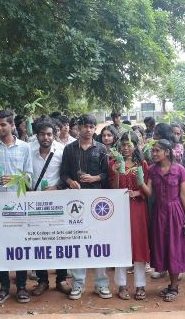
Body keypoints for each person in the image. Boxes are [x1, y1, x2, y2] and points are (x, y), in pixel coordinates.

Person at [59, 114, 111, 300]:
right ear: (78, 127)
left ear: (94, 129)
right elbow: (63, 173)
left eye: (91, 126)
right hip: (75, 202)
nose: (88, 129)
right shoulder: (69, 149)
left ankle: (101, 284)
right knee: (77, 242)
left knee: (98, 242)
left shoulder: (102, 148)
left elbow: (107, 174)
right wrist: (70, 181)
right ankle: (78, 284)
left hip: (97, 203)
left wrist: (95, 178)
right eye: (85, 126)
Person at [0, 110, 34, 304]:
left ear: (12, 126)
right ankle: (4, 286)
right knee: (1, 246)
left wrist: (16, 178)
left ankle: (21, 286)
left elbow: (29, 177)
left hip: (19, 203)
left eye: (3, 125)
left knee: (20, 244)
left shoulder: (25, 148)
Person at [143, 139, 185, 302]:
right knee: (162, 245)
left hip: (175, 212)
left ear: (167, 152)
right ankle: (171, 284)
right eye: (153, 151)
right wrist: (138, 180)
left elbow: (183, 195)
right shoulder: (151, 170)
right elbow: (149, 193)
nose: (154, 153)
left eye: (157, 150)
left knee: (175, 247)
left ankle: (173, 286)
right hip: (158, 212)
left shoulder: (179, 170)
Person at [28, 118, 72, 297]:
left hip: (58, 202)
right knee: (38, 242)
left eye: (49, 134)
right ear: (37, 135)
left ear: (54, 135)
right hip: (36, 202)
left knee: (59, 240)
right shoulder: (29, 151)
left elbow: (68, 174)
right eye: (42, 134)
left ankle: (61, 279)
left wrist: (58, 186)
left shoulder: (63, 151)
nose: (45, 137)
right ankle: (42, 280)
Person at [110, 131, 150, 301]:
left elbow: (147, 191)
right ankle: (122, 285)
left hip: (137, 209)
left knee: (138, 244)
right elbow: (113, 189)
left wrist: (137, 192)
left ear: (135, 146)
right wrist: (117, 172)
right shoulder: (114, 162)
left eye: (129, 145)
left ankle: (140, 284)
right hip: (120, 209)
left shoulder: (142, 164)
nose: (125, 148)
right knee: (122, 245)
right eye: (123, 145)